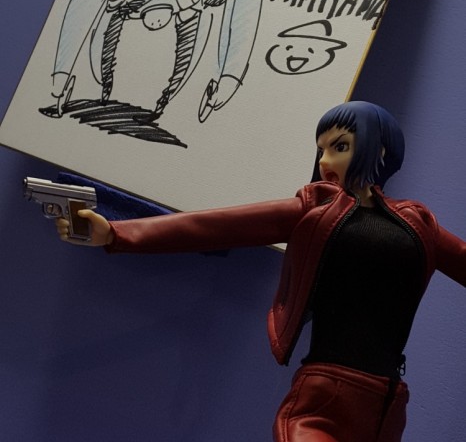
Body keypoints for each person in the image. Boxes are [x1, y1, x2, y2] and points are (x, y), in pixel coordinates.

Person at [55, 101, 466, 442]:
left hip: (388, 406)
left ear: (380, 151)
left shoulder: (418, 224)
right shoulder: (315, 208)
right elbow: (214, 227)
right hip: (323, 398)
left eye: (340, 146)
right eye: (321, 150)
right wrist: (116, 233)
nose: (325, 161)